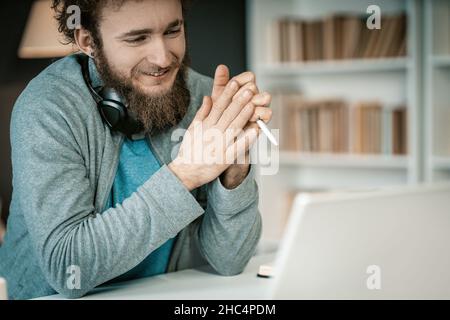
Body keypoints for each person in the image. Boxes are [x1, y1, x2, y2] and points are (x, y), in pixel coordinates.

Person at [0, 0, 272, 299]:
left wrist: (233, 172)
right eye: (137, 38)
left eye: (173, 30)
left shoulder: (202, 97)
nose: (163, 58)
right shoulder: (47, 107)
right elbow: (68, 269)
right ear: (88, 40)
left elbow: (230, 260)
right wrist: (186, 173)